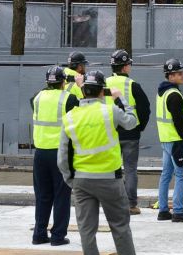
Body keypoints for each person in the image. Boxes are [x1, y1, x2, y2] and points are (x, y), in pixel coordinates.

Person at [57, 70, 137, 255]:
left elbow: (62, 157)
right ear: (103, 91)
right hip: (110, 179)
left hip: (81, 181)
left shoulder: (70, 117)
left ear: (84, 91)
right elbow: (132, 123)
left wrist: (71, 181)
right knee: (120, 227)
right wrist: (121, 98)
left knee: (86, 231)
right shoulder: (111, 110)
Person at [31, 66, 78, 246]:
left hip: (40, 153)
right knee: (61, 196)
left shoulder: (37, 98)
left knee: (42, 195)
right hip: (60, 153)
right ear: (64, 82)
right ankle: (58, 236)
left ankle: (39, 234)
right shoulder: (69, 98)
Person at [106, 49, 151, 215]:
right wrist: (139, 127)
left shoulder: (104, 83)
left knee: (112, 169)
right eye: (129, 64)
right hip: (130, 133)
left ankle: (113, 203)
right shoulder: (133, 85)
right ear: (124, 67)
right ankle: (131, 205)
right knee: (131, 169)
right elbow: (145, 109)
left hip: (110, 133)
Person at [156, 58, 183, 222]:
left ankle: (163, 210)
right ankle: (178, 211)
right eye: (179, 73)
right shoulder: (174, 95)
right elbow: (179, 120)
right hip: (177, 141)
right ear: (170, 76)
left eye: (182, 73)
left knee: (166, 175)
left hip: (167, 140)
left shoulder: (163, 92)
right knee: (181, 175)